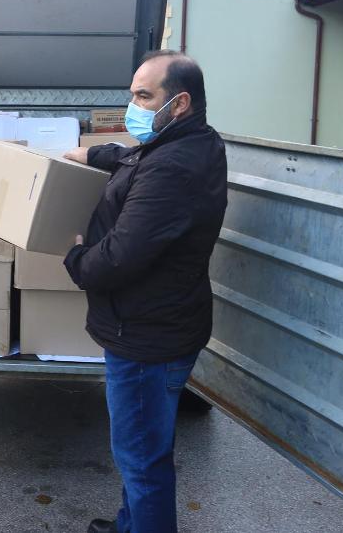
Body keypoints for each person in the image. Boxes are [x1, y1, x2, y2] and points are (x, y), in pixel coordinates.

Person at [63, 50, 229, 533]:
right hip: (163, 323)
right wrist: (94, 154)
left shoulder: (172, 168)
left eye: (142, 95)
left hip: (146, 337)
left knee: (142, 460)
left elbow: (118, 257)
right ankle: (128, 525)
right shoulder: (190, 143)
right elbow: (135, 159)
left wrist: (74, 257)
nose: (131, 104)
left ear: (178, 104)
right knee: (143, 449)